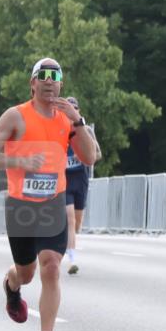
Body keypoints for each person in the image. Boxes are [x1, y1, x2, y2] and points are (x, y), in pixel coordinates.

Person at [0, 58, 98, 331]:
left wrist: (78, 122)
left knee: (51, 268)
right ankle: (12, 285)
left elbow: (89, 157)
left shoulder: (66, 120)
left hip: (52, 205)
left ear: (61, 84)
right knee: (27, 273)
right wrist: (20, 161)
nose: (49, 80)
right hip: (21, 207)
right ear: (33, 83)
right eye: (42, 75)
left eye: (54, 76)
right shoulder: (16, 116)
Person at [63, 96, 101, 275]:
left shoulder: (85, 131)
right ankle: (71, 260)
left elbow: (97, 154)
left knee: (76, 224)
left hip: (81, 179)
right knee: (69, 219)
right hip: (64, 180)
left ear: (78, 111)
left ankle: (68, 242)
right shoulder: (59, 131)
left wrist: (83, 155)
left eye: (74, 109)